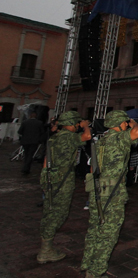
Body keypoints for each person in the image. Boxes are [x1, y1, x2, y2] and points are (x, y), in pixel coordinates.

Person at [81, 110, 138, 278]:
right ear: (121, 123)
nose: (126, 125)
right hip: (113, 191)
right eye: (124, 123)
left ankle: (88, 264)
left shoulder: (101, 141)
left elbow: (93, 167)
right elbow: (137, 132)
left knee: (94, 227)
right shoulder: (118, 138)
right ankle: (96, 271)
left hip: (97, 187)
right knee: (108, 233)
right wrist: (133, 122)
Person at [37, 111, 91, 264]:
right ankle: (45, 250)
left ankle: (45, 247)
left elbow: (46, 159)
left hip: (50, 178)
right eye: (77, 123)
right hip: (63, 179)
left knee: (49, 210)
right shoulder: (68, 137)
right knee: (58, 213)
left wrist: (45, 179)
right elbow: (87, 137)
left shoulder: (54, 138)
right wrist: (86, 126)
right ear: (73, 123)